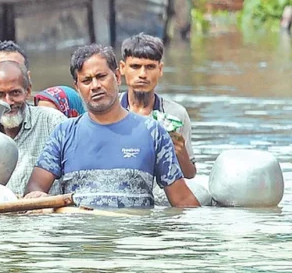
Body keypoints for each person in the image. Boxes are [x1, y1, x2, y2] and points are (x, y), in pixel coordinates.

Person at [25, 44, 200, 208]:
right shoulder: (64, 133)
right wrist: (37, 198)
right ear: (77, 87)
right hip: (80, 238)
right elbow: (35, 188)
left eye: (101, 77)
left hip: (136, 238)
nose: (95, 86)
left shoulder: (153, 132)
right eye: (86, 81)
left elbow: (182, 200)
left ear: (117, 76)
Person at [119, 33, 196, 179]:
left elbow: (190, 175)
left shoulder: (176, 114)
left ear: (160, 69)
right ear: (122, 68)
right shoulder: (110, 109)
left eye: (150, 67)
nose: (142, 74)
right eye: (135, 66)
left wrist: (180, 152)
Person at [0, 61, 66, 196]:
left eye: (15, 93)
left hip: (44, 213)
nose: (8, 102)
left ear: (28, 91)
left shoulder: (53, 122)